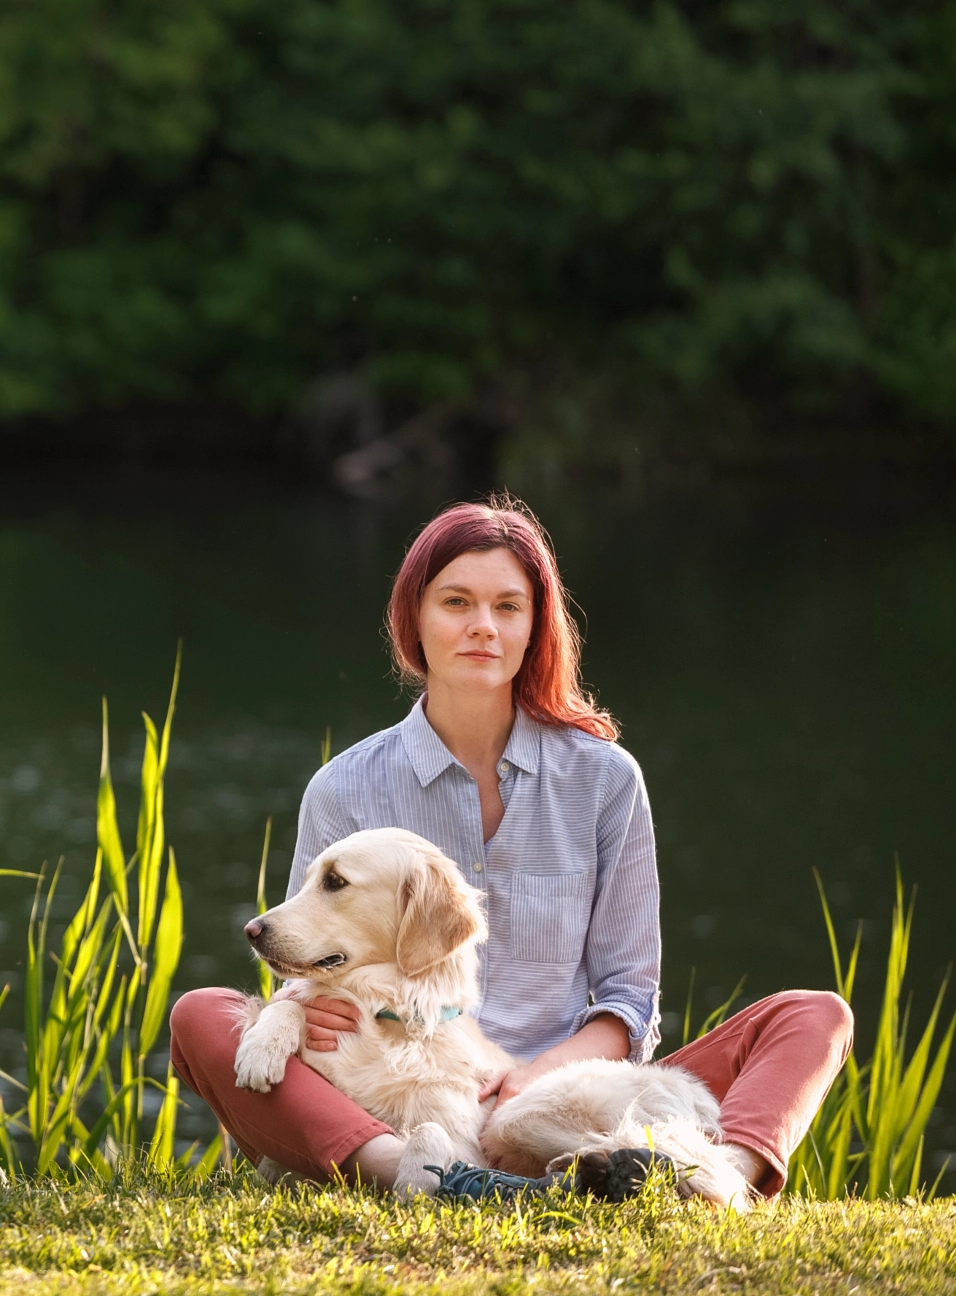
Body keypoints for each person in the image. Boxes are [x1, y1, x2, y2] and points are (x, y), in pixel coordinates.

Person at [167, 496, 852, 1200]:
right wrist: (305, 1007)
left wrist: (530, 1077)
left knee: (815, 1014)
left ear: (535, 627)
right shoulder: (344, 787)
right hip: (393, 1090)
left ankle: (719, 1180)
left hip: (569, 1092)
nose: (482, 627)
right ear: (415, 621)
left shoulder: (605, 779)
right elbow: (308, 963)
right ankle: (428, 1175)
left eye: (508, 607)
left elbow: (627, 1000)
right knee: (200, 1017)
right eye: (456, 601)